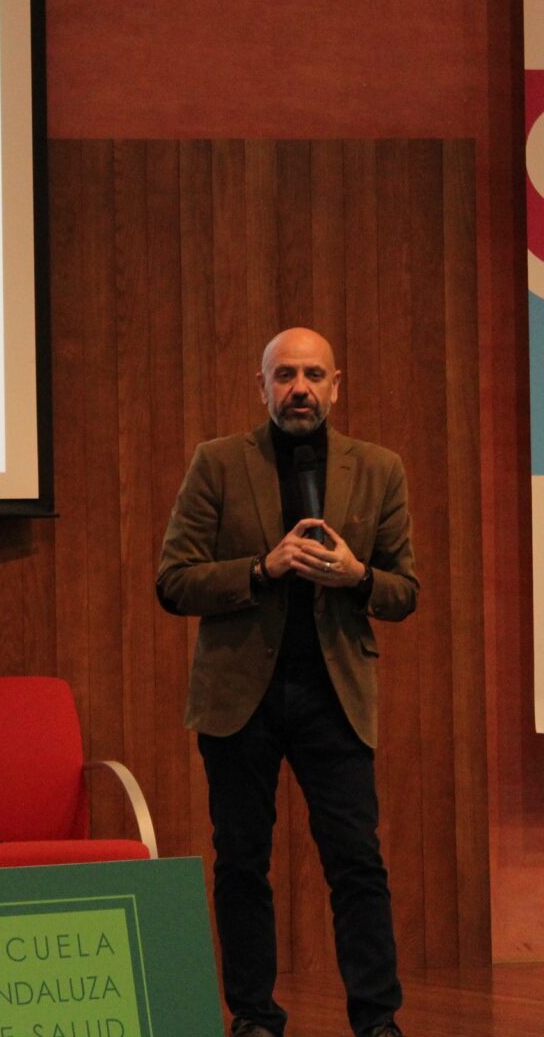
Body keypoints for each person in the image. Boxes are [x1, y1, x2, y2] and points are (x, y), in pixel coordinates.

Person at [156, 327, 418, 1037]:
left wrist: (357, 576)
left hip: (336, 697)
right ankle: (254, 1016)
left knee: (357, 862)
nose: (299, 388)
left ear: (337, 386)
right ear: (262, 386)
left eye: (313, 375)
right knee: (242, 862)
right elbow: (173, 581)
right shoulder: (218, 463)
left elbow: (405, 591)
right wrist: (261, 569)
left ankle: (377, 1020)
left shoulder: (379, 469)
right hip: (240, 698)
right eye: (284, 375)